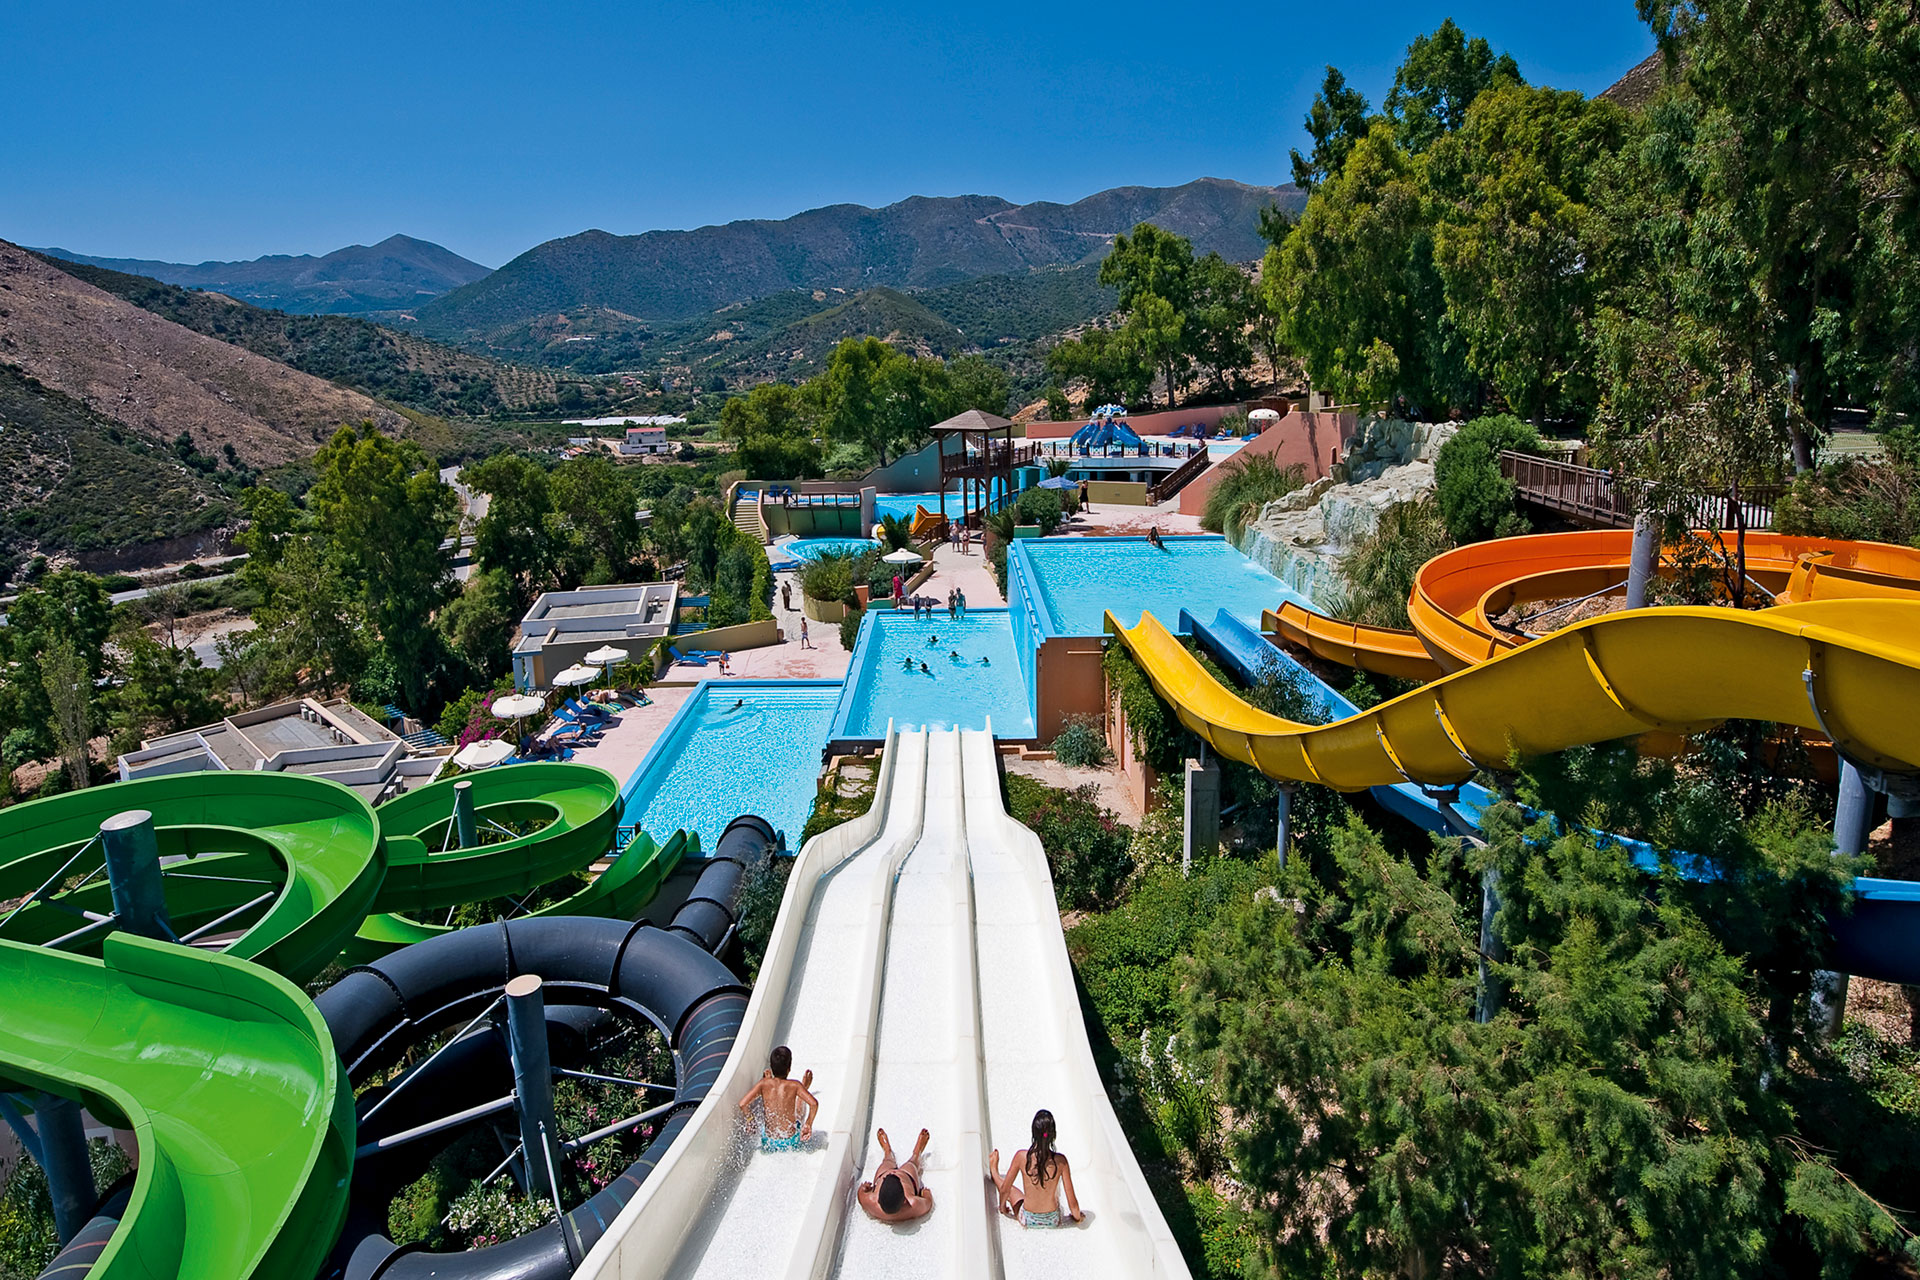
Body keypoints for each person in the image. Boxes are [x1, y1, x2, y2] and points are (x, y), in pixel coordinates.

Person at [991, 1110, 1081, 1228]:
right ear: (1053, 1135)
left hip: (1028, 1219)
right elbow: (1073, 1204)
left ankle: (994, 1172)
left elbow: (1004, 1190)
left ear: (1033, 1133)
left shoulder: (1021, 1157)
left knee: (1012, 1190)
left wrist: (1002, 1208)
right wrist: (1078, 1217)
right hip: (1052, 1220)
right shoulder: (1061, 1161)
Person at [738, 1046, 818, 1152]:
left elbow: (742, 1104)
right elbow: (813, 1104)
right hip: (791, 1142)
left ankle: (770, 1081)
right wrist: (808, 1124)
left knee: (769, 1102)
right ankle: (803, 1093)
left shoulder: (763, 1084)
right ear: (789, 1067)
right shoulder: (795, 1085)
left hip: (769, 1142)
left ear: (771, 1066)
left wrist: (750, 1120)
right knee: (798, 1114)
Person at [857, 1127, 934, 1223]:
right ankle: (917, 1153)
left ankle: (887, 1152)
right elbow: (928, 1202)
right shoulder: (913, 1205)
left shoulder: (870, 1202)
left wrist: (865, 1187)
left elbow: (861, 1192)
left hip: (882, 1175)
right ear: (905, 1200)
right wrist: (925, 1193)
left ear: (878, 1199)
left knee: (887, 1161)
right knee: (912, 1164)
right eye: (899, 1180)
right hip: (907, 1175)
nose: (894, 1172)